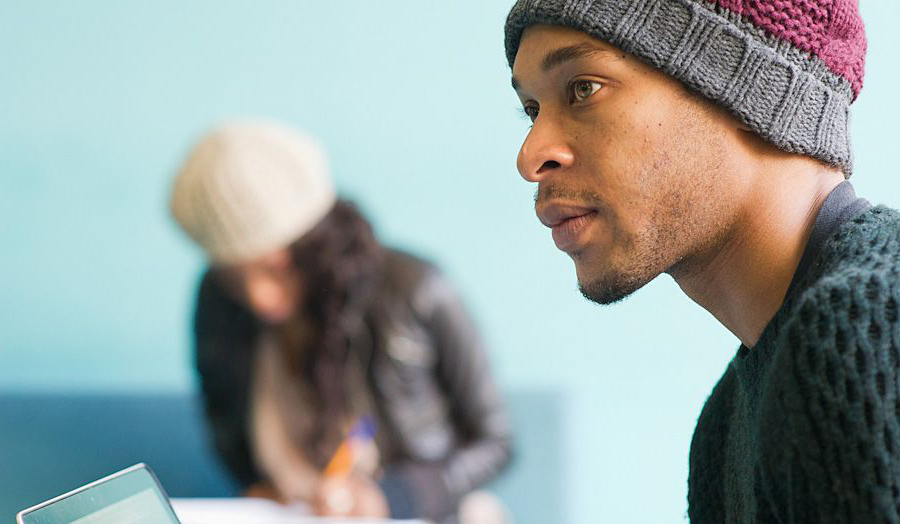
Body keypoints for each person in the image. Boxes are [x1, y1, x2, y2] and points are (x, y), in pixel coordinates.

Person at [504, 1, 900, 522]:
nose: (530, 156)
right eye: (532, 110)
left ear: (743, 90)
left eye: (584, 88)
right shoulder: (723, 429)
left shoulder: (865, 325)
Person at [169, 120, 512, 524]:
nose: (259, 297)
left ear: (316, 243)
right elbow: (224, 425)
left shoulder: (414, 289)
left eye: (276, 266)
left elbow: (496, 443)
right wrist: (258, 491)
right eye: (233, 275)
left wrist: (392, 498)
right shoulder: (218, 304)